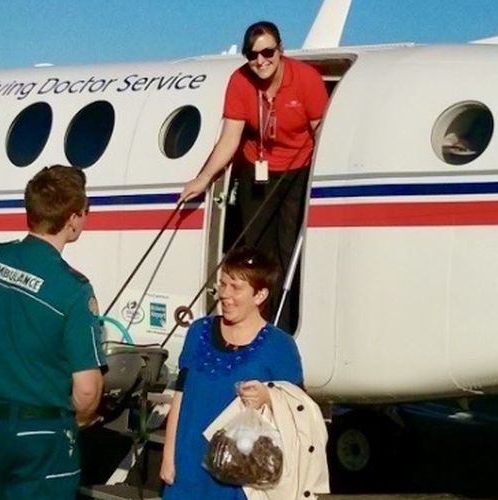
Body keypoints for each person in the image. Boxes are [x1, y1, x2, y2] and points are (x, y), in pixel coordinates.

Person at [0, 164, 106, 500]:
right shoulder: (73, 289)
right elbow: (88, 391)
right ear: (74, 219)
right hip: (42, 433)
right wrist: (75, 421)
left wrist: (9, 334)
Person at [179, 21, 329, 333]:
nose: (260, 61)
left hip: (297, 168)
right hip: (256, 166)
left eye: (267, 52)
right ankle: (252, 324)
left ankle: (283, 328)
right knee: (255, 251)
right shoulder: (240, 82)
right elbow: (230, 138)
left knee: (288, 247)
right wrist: (203, 179)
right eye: (252, 55)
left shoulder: (306, 80)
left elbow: (322, 133)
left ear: (281, 51)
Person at [160, 246, 304, 500]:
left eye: (236, 288)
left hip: (242, 480)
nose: (225, 294)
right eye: (223, 284)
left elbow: (299, 412)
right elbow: (180, 396)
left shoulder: (280, 346)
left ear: (260, 295)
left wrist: (269, 397)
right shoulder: (198, 331)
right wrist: (168, 457)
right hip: (188, 469)